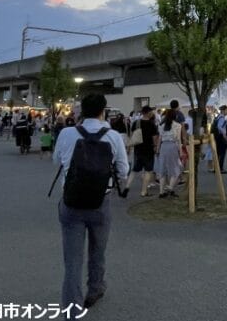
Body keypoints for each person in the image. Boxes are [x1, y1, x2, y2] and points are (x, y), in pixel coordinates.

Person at [53, 94, 129, 309]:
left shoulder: (67, 133)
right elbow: (124, 170)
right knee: (98, 250)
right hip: (100, 201)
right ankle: (95, 288)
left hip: (71, 201)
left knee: (72, 259)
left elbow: (56, 161)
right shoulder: (113, 136)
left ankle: (71, 307)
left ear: (81, 112)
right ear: (103, 110)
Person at [127, 106, 159, 197]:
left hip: (138, 149)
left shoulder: (136, 123)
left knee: (135, 169)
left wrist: (129, 147)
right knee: (148, 171)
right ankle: (144, 191)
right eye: (151, 112)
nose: (153, 113)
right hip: (148, 149)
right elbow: (154, 138)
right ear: (148, 112)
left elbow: (132, 135)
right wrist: (156, 147)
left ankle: (127, 186)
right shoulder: (152, 124)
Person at [155, 109, 183, 198]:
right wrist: (181, 151)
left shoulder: (162, 125)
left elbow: (159, 139)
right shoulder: (177, 125)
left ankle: (161, 192)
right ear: (175, 116)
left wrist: (157, 150)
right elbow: (178, 139)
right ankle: (170, 188)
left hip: (163, 147)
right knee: (176, 168)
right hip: (172, 147)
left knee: (163, 170)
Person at [211, 105, 227, 174]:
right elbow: (220, 127)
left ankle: (216, 168)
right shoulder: (222, 118)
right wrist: (224, 135)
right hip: (220, 137)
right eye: (226, 110)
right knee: (222, 153)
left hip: (217, 137)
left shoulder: (218, 117)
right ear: (223, 110)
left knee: (218, 153)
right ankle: (220, 168)